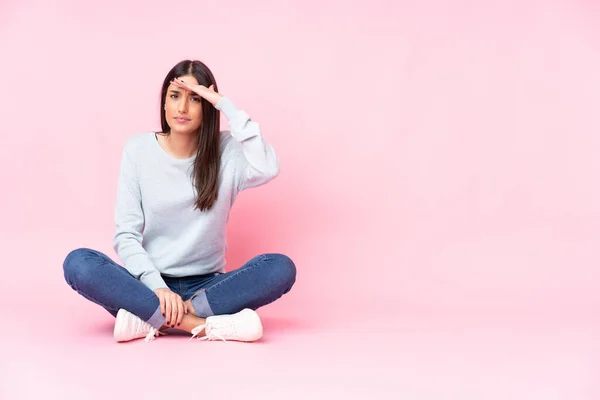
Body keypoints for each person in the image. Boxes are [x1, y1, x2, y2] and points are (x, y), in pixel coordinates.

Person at [63, 60, 296, 343]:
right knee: (79, 263)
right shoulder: (138, 150)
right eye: (174, 96)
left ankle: (150, 319)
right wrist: (158, 289)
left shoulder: (227, 152)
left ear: (207, 107)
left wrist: (225, 104)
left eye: (195, 99)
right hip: (148, 285)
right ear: (163, 104)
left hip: (209, 289)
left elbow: (268, 168)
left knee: (280, 268)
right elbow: (126, 234)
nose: (182, 108)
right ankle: (202, 326)